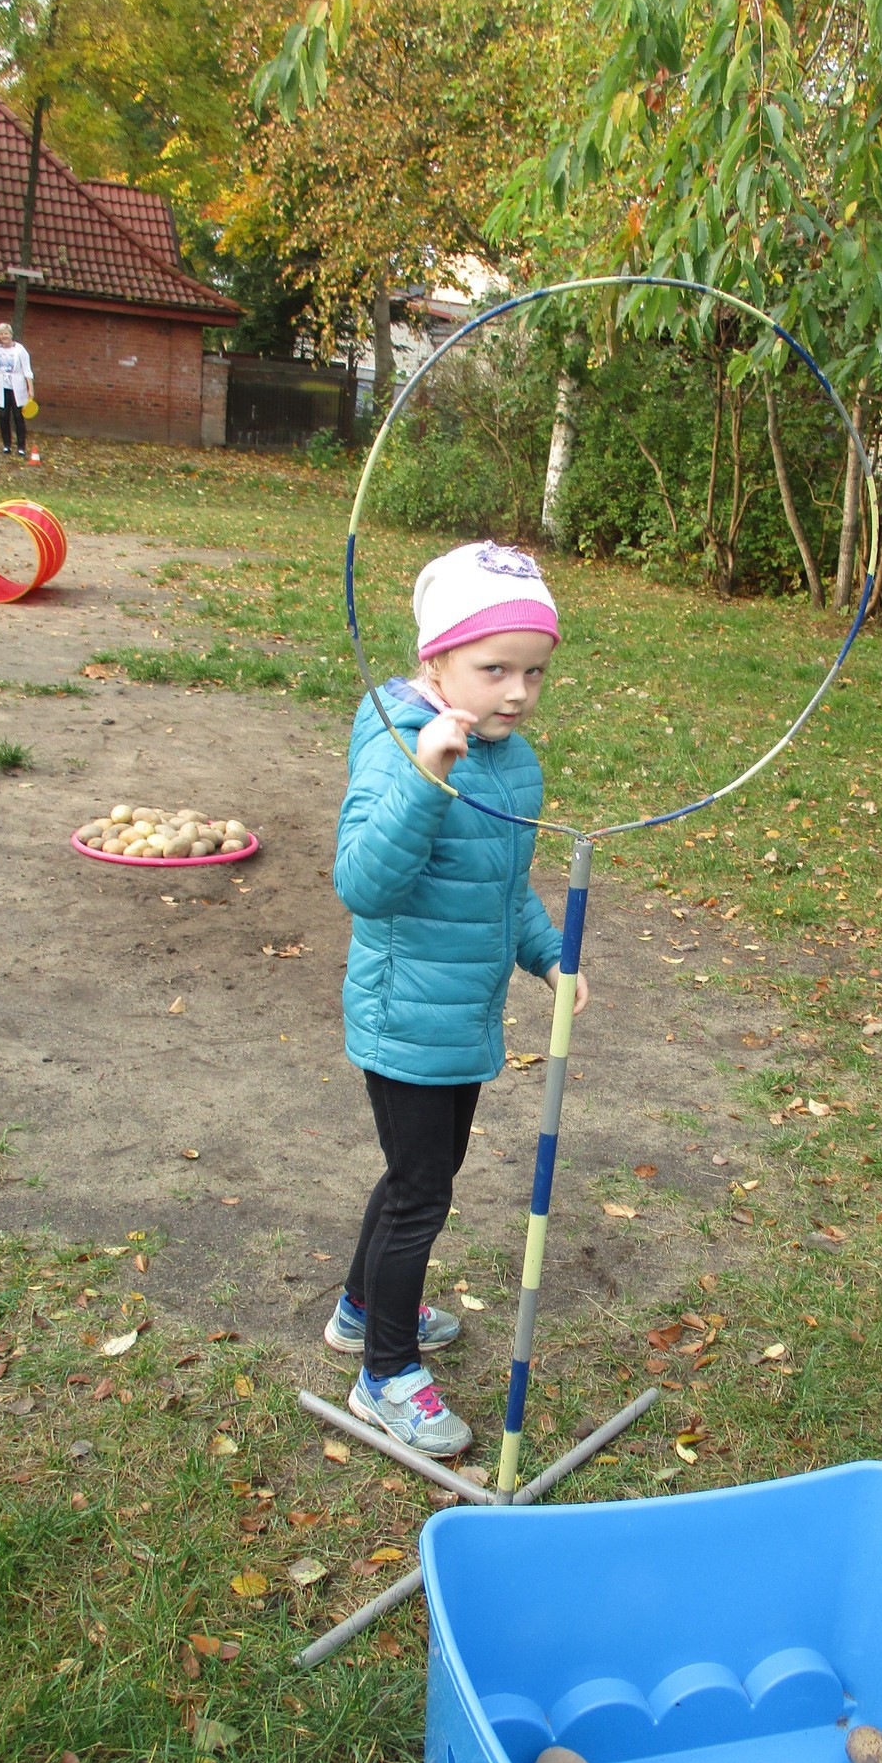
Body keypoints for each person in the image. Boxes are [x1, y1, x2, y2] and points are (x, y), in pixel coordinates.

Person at [327, 541, 588, 1457]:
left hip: (464, 1016)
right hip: (405, 1015)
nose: (516, 693)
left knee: (419, 1178)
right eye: (494, 669)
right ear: (434, 660)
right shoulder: (401, 741)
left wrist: (549, 958)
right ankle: (386, 1375)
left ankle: (361, 1311)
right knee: (421, 1195)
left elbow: (501, 883)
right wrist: (424, 777)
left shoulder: (510, 760)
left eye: (534, 672)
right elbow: (363, 884)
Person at [0, 322, 34, 454]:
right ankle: (6, 445)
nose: (4, 336)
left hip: (17, 388)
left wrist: (30, 388)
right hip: (2, 387)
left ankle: (21, 447)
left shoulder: (20, 350)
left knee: (18, 417)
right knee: (3, 416)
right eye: (1, 334)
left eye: (6, 333)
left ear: (11, 334)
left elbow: (27, 370)